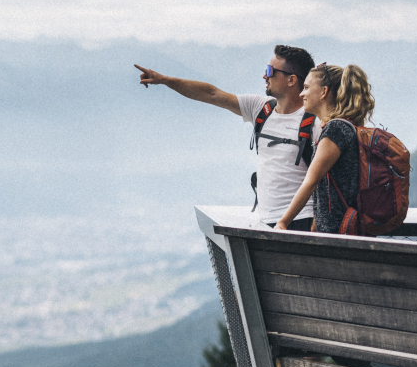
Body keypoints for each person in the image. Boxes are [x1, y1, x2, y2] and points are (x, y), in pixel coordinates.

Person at [134, 45, 316, 230]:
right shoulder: (261, 109)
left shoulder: (313, 122)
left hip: (302, 219)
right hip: (268, 221)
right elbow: (212, 94)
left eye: (270, 71)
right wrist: (165, 80)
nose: (264, 76)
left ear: (291, 80)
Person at [275, 63, 376, 233]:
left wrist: (283, 222)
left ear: (324, 92)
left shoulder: (335, 129)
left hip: (339, 235)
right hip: (344, 231)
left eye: (306, 87)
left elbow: (311, 182)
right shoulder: (343, 127)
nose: (301, 93)